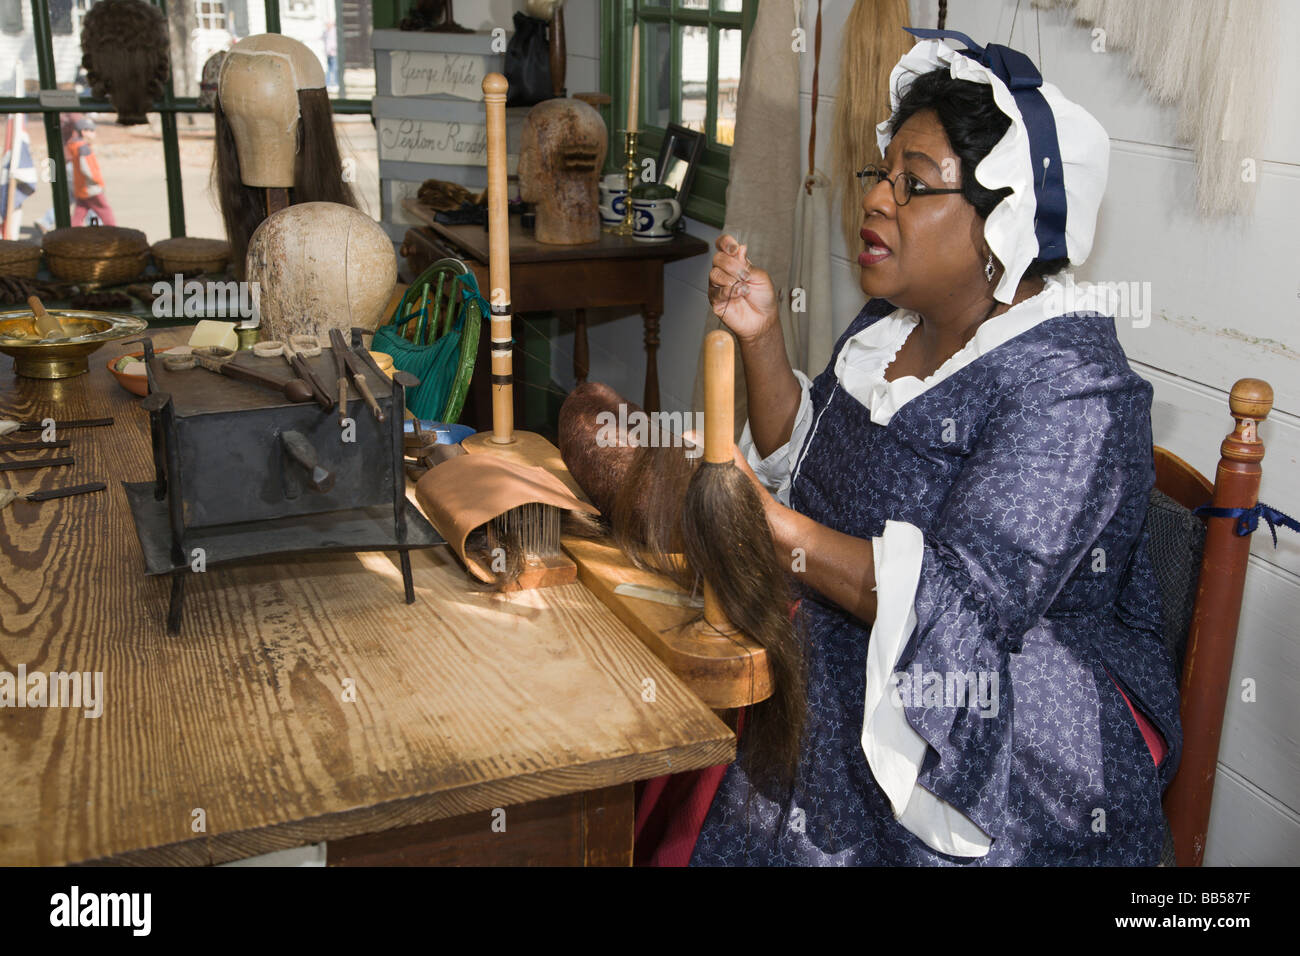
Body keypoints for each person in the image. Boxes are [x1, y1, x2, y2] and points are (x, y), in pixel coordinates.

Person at [689, 31, 1181, 865]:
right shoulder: (895, 323)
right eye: (881, 174)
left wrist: (762, 524)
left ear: (1005, 223)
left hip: (1005, 711)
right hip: (874, 635)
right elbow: (815, 475)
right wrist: (763, 341)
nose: (877, 200)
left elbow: (956, 607)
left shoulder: (1073, 391)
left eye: (913, 185)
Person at [63, 114, 116, 226]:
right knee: (105, 210)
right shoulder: (83, 148)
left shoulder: (75, 145)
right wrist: (98, 181)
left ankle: (72, 232)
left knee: (80, 212)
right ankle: (113, 232)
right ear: (83, 132)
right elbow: (87, 169)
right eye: (91, 131)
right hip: (91, 187)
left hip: (81, 186)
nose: (94, 134)